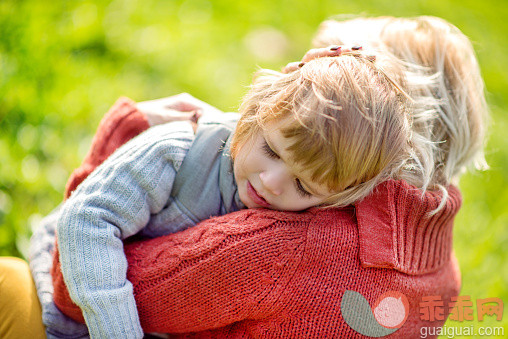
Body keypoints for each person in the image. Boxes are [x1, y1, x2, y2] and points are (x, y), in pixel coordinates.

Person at [0, 14, 487, 338]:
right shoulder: (441, 271)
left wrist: (120, 137)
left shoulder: (288, 248)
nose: (276, 183)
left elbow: (72, 282)